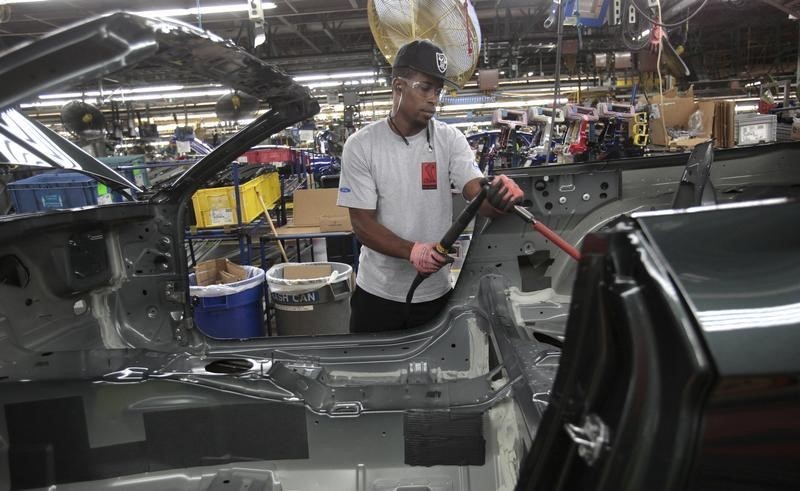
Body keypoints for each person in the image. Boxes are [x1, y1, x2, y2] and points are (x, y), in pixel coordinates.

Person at [337, 39, 524, 333]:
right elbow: (361, 223)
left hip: (435, 295)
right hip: (378, 295)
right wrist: (412, 251)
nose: (434, 99)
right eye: (425, 88)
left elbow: (476, 194)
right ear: (399, 86)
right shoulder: (362, 146)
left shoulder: (449, 140)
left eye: (438, 91)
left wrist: (498, 197)